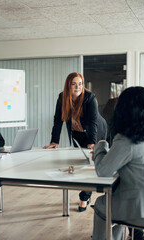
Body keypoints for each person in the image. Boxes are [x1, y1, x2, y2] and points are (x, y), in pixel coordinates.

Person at [92, 86, 144, 240]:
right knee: (116, 200)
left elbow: (103, 171)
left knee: (102, 204)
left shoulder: (128, 139)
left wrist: (101, 146)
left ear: (123, 109)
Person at [43, 72, 107, 212]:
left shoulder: (89, 97)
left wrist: (92, 142)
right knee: (80, 161)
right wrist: (54, 141)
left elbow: (93, 122)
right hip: (77, 131)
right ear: (68, 86)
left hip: (96, 130)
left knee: (90, 163)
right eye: (74, 84)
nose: (78, 87)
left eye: (80, 84)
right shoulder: (62, 97)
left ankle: (84, 197)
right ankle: (86, 193)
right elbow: (58, 120)